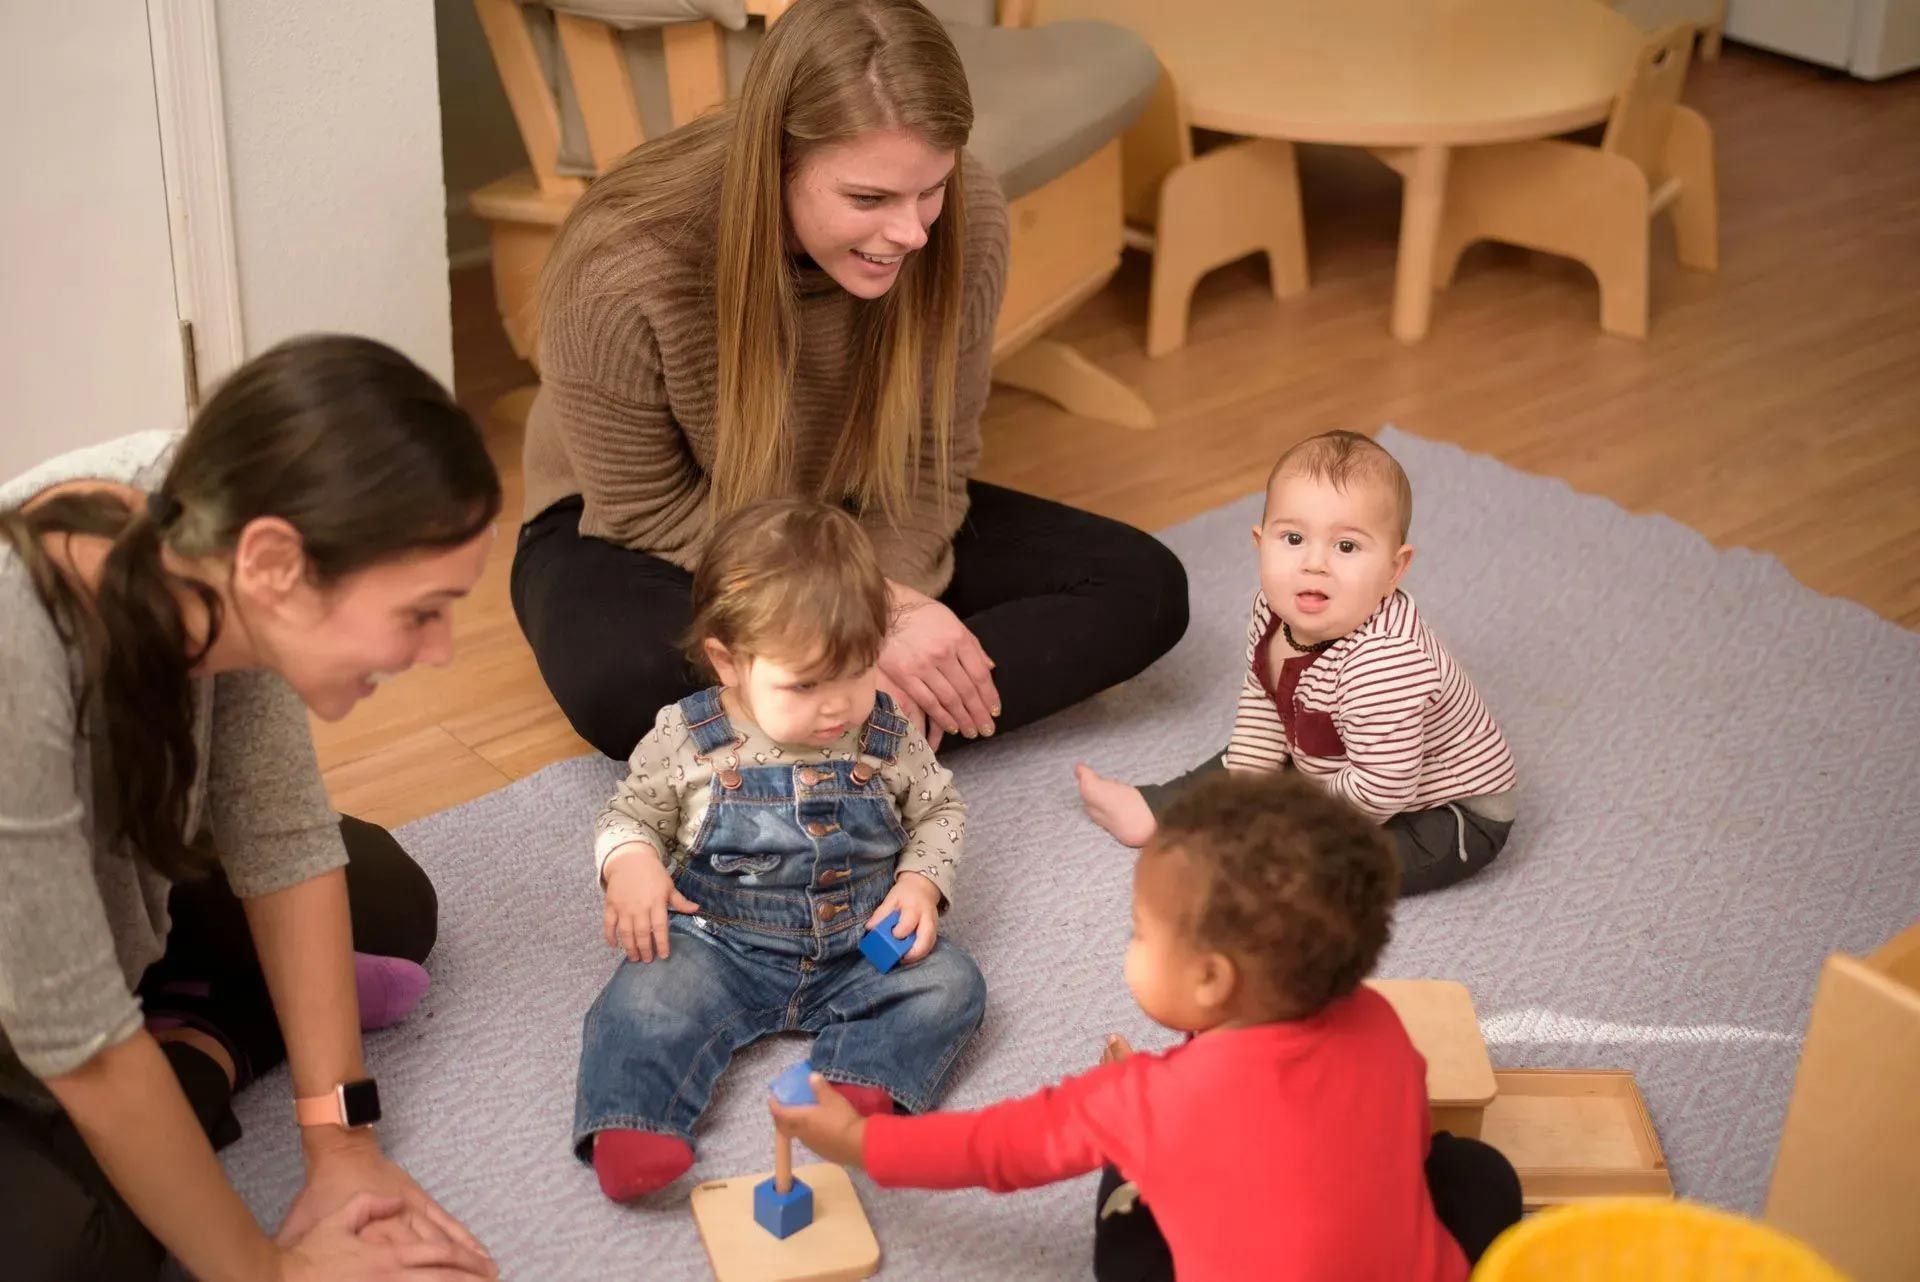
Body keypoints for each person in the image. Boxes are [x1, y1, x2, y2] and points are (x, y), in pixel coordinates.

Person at [511, 0, 1188, 760]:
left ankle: (817, 735)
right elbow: (647, 511)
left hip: (852, 500)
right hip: (654, 530)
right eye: (868, 198)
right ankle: (879, 722)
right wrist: (875, 619)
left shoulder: (966, 217)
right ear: (777, 161)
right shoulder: (622, 263)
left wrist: (870, 616)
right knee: (627, 684)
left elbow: (930, 468)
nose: (912, 233)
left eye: (929, 187)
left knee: (1143, 587)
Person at [0, 336, 503, 1281]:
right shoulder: (14, 652)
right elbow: (74, 1040)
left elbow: (283, 841)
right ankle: (187, 1056)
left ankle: (187, 1041)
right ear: (277, 565)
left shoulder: (212, 531)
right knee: (71, 1251)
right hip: (22, 996)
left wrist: (343, 1146)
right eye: (422, 610)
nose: (439, 652)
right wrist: (270, 1272)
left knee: (386, 897)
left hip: (113, 903)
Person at [772, 770, 1524, 1282]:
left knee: (1130, 1214)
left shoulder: (1141, 1099)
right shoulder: (1380, 1022)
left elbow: (992, 1148)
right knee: (1479, 1172)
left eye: (1139, 933)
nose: (1127, 945)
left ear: (1210, 978)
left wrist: (859, 1141)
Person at [575, 498, 985, 1201]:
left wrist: (920, 884)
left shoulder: (885, 734)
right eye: (805, 684)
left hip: (858, 944)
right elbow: (631, 813)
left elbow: (939, 809)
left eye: (858, 673)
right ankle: (635, 1123)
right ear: (727, 662)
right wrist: (630, 864)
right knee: (643, 1000)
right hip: (717, 942)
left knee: (951, 985)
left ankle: (853, 1086)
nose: (837, 707)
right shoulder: (691, 738)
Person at [1077, 431, 1518, 896]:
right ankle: (1157, 809)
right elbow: (1266, 704)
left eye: (1346, 547)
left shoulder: (1386, 665)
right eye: (1292, 538)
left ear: (1393, 570)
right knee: (1243, 764)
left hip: (1443, 812)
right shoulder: (1272, 611)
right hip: (1343, 759)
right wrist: (1244, 783)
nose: (1314, 563)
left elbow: (1385, 789)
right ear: (1260, 542)